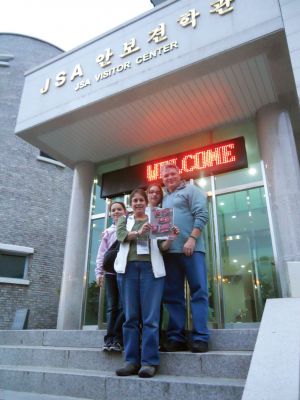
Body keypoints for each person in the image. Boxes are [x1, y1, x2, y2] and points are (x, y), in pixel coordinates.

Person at [115, 188, 179, 378]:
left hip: (151, 271)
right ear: (131, 203)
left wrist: (171, 239)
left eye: (141, 200)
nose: (138, 203)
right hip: (128, 271)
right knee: (131, 318)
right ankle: (131, 361)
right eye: (134, 201)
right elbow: (121, 237)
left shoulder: (156, 219)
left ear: (146, 202)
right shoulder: (124, 220)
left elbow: (163, 247)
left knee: (150, 318)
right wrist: (138, 232)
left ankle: (149, 362)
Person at [160, 163, 209, 353]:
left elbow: (202, 214)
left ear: (179, 174)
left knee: (198, 292)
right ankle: (175, 338)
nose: (170, 177)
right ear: (162, 179)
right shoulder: (164, 198)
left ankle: (200, 337)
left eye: (173, 174)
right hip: (170, 254)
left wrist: (192, 239)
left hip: (192, 250)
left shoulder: (191, 190)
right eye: (166, 176)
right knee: (173, 297)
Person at [95, 201, 126, 352]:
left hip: (125, 273)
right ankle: (109, 339)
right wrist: (99, 272)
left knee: (123, 306)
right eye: (113, 210)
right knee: (112, 307)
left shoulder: (130, 227)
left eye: (119, 209)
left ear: (125, 211)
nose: (116, 212)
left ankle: (118, 339)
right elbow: (102, 254)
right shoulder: (107, 232)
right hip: (111, 274)